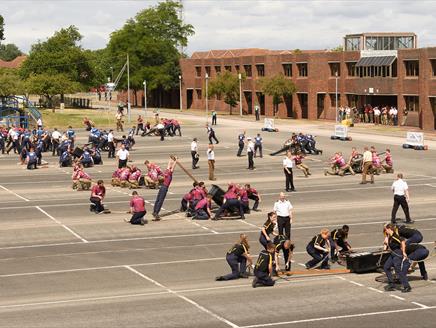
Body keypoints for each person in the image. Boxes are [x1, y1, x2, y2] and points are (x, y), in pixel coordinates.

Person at [383, 224, 410, 293]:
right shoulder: (389, 236)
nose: (385, 231)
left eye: (386, 229)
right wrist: (386, 243)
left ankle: (407, 286)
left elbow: (403, 242)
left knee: (397, 269)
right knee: (386, 267)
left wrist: (404, 252)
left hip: (397, 253)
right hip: (392, 254)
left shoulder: (395, 236)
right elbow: (387, 247)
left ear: (389, 229)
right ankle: (392, 284)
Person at [152, 157, 177, 221]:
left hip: (162, 186)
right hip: (165, 187)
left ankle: (154, 211)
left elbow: (169, 165)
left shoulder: (167, 171)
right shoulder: (170, 173)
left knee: (158, 199)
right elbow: (173, 166)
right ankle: (156, 213)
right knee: (160, 200)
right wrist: (176, 161)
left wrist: (170, 159)